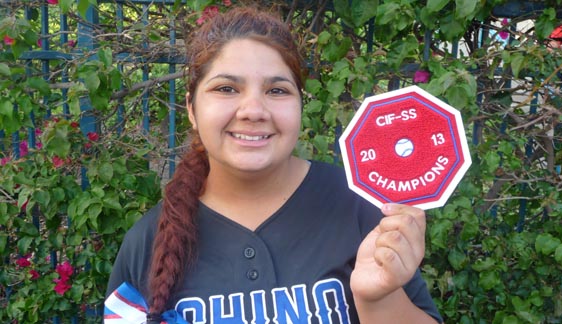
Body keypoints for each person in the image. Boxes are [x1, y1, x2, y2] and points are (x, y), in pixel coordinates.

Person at [105, 6, 443, 324]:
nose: (254, 110)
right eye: (226, 88)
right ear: (192, 108)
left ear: (300, 104)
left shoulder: (363, 206)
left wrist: (378, 299)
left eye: (277, 91)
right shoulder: (148, 243)